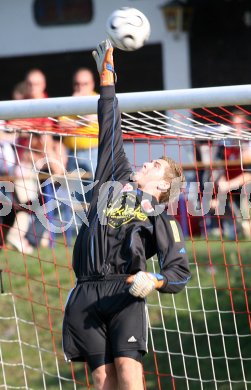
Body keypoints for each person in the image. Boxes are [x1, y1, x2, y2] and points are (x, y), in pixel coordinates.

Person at [62, 40, 191, 390]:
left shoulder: (160, 214)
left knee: (128, 371)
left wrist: (156, 280)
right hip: (87, 291)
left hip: (124, 293)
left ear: (164, 186)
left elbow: (179, 271)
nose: (147, 161)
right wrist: (107, 78)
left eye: (156, 164)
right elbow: (109, 124)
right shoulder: (113, 176)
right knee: (103, 379)